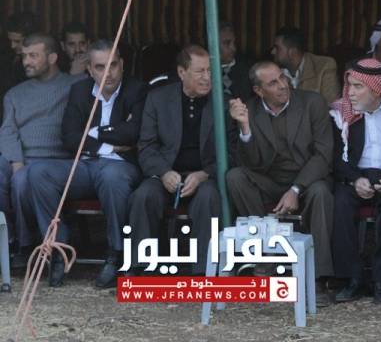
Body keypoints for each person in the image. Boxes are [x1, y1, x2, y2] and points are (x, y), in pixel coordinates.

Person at [27, 40, 146, 287]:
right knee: (39, 172)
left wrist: (94, 131)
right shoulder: (80, 90)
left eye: (113, 65)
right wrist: (110, 142)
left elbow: (134, 133)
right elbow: (70, 137)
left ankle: (116, 254)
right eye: (100, 67)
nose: (108, 73)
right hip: (85, 166)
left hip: (120, 166)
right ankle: (58, 249)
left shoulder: (137, 89)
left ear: (122, 64)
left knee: (112, 177)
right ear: (90, 70)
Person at [227, 60, 334, 304]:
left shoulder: (312, 103)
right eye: (273, 83)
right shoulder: (250, 110)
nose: (283, 85)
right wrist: (245, 127)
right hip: (270, 180)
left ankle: (317, 278)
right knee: (235, 177)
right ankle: (265, 256)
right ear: (258, 90)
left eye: (283, 78)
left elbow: (323, 155)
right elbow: (251, 164)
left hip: (307, 180)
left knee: (321, 192)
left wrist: (296, 189)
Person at [127, 45, 235, 275]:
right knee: (143, 196)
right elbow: (146, 146)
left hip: (205, 175)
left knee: (208, 197)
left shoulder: (223, 103)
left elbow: (232, 152)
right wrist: (164, 172)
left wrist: (204, 174)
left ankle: (204, 271)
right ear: (181, 72)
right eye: (200, 71)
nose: (207, 77)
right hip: (167, 173)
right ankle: (141, 268)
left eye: (210, 71)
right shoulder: (158, 99)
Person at [330, 58, 381, 304]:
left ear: (376, 90)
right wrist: (355, 179)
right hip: (356, 176)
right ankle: (351, 279)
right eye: (349, 85)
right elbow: (335, 157)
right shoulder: (341, 113)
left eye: (358, 87)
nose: (350, 93)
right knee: (340, 202)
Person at [0, 34, 85, 265]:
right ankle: (8, 241)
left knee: (22, 181)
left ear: (52, 58)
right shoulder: (14, 93)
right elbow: (7, 131)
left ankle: (26, 246)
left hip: (53, 160)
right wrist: (16, 161)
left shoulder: (74, 85)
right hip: (20, 157)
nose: (26, 61)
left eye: (33, 56)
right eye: (24, 56)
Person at [271, 26, 340, 103]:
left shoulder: (324, 66)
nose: (273, 52)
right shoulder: (272, 71)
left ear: (292, 52)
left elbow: (331, 104)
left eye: (277, 48)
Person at [219, 21, 253, 102]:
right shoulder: (204, 70)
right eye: (227, 43)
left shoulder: (249, 69)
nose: (233, 48)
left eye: (234, 42)